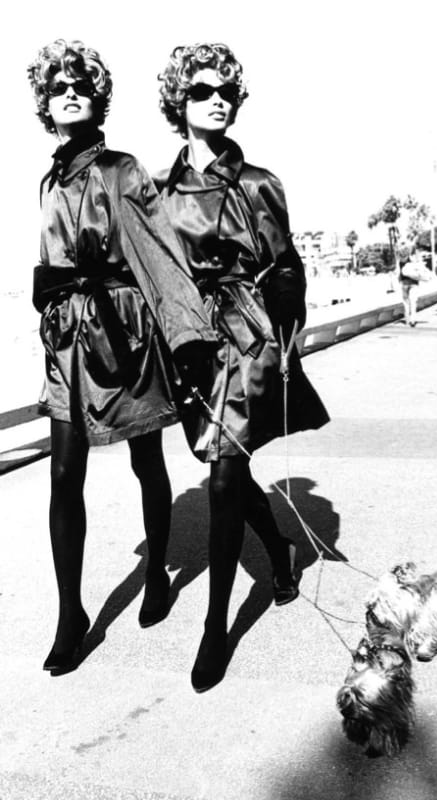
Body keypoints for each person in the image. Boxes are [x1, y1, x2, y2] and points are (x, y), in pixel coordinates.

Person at [28, 40, 218, 674]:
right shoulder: (49, 181)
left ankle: (161, 573)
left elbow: (159, 253)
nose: (70, 93)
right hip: (67, 341)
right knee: (62, 475)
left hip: (123, 335)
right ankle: (69, 614)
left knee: (146, 458)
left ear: (97, 94)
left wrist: (190, 337)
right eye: (58, 88)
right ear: (45, 105)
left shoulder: (123, 168)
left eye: (80, 83)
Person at [156, 43, 329, 693]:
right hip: (190, 347)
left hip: (247, 340)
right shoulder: (156, 192)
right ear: (180, 101)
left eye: (227, 88)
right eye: (203, 90)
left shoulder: (258, 183)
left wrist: (286, 337)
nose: (218, 97)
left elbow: (285, 266)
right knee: (226, 467)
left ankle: (215, 628)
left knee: (226, 474)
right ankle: (282, 554)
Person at [400, 249, 430, 326]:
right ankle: (413, 320)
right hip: (414, 284)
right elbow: (421, 273)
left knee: (406, 303)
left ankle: (407, 319)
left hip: (404, 284)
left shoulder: (401, 261)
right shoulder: (416, 262)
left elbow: (399, 274)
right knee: (413, 302)